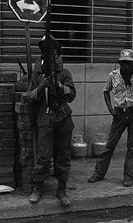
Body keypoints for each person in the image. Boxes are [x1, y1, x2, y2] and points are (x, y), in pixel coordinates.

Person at [87, 49, 133, 187]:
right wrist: (111, 109)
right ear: (119, 63)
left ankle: (128, 177)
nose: (126, 66)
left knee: (132, 147)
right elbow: (106, 91)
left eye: (128, 63)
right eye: (123, 63)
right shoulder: (113, 75)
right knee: (109, 145)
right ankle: (98, 173)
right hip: (119, 114)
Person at [28, 35, 76, 207]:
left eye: (54, 54)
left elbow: (72, 95)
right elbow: (30, 95)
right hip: (46, 119)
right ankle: (38, 188)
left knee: (63, 156)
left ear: (57, 55)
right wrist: (42, 86)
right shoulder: (38, 74)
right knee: (43, 156)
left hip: (63, 118)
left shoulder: (64, 73)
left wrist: (59, 85)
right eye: (47, 54)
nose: (51, 57)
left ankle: (61, 189)